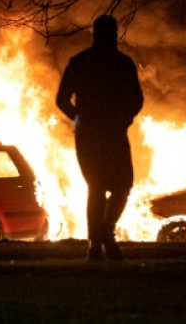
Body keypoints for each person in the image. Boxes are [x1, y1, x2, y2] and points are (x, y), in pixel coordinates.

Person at [55, 16, 144, 260]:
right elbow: (136, 99)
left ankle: (101, 237)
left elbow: (62, 99)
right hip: (104, 133)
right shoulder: (119, 63)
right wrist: (123, 117)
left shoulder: (83, 62)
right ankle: (101, 240)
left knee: (109, 187)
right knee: (111, 186)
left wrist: (78, 117)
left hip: (97, 133)